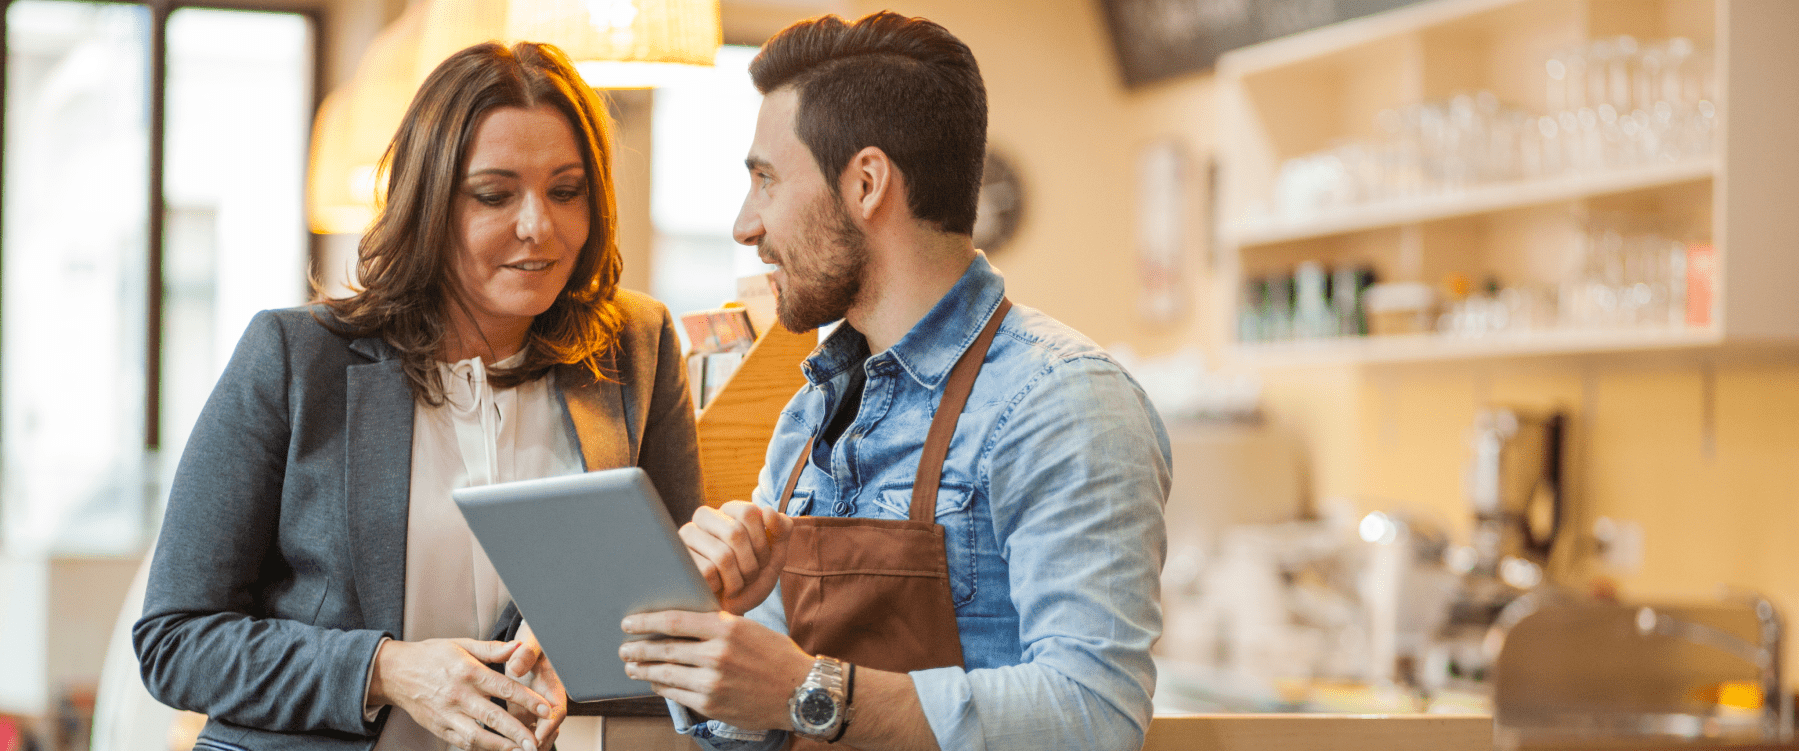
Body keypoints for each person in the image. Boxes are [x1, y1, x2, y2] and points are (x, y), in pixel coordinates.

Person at [616, 12, 1171, 751]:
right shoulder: (808, 416)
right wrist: (717, 643)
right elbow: (767, 721)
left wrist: (803, 689)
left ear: (867, 183)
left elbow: (1093, 717)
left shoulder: (1063, 401)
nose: (745, 224)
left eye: (766, 180)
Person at [134, 41, 704, 751]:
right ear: (428, 201)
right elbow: (174, 639)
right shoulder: (296, 356)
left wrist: (584, 657)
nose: (540, 226)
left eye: (566, 189)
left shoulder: (635, 345)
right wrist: (386, 668)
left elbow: (672, 624)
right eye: (495, 194)